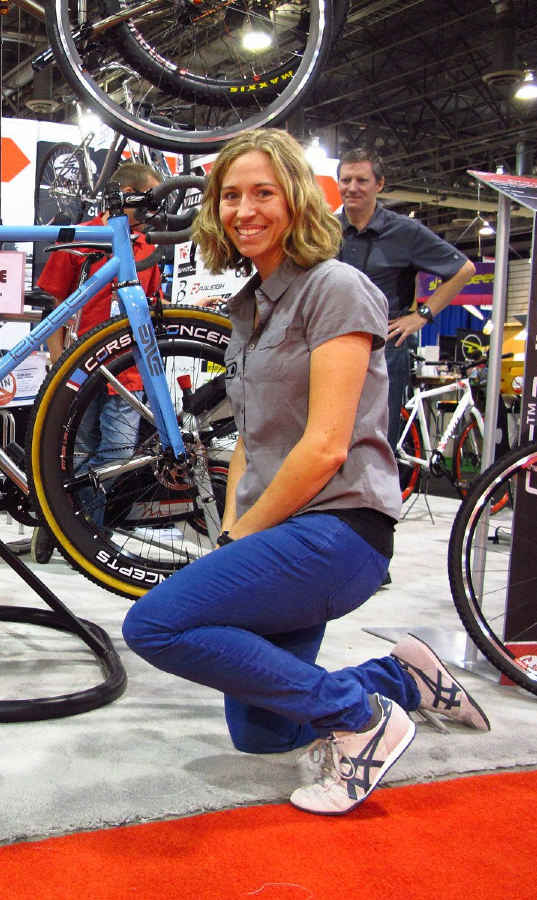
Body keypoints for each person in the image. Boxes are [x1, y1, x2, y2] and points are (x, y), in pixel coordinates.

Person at [121, 130, 490, 817]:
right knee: (264, 732)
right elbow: (250, 446)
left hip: (339, 531)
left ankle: (361, 716)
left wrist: (241, 544)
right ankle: (399, 676)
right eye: (230, 196)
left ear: (295, 200)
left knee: (155, 625)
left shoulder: (337, 288)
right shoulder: (250, 307)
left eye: (263, 192)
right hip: (278, 534)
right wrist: (231, 535)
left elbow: (324, 448)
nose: (244, 209)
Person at [30, 162, 165, 563]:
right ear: (126, 192)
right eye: (148, 199)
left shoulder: (146, 248)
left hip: (130, 372)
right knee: (75, 450)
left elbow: (151, 307)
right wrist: (59, 366)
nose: (152, 210)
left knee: (119, 455)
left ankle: (82, 530)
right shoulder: (78, 240)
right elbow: (55, 308)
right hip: (81, 370)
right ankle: (72, 530)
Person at [335, 149, 476, 452]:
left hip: (383, 347)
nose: (352, 187)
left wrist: (422, 315)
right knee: (330, 436)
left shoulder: (405, 232)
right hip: (330, 343)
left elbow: (464, 269)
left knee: (376, 439)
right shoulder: (324, 230)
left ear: (379, 184)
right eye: (346, 180)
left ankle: (377, 500)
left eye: (362, 179)